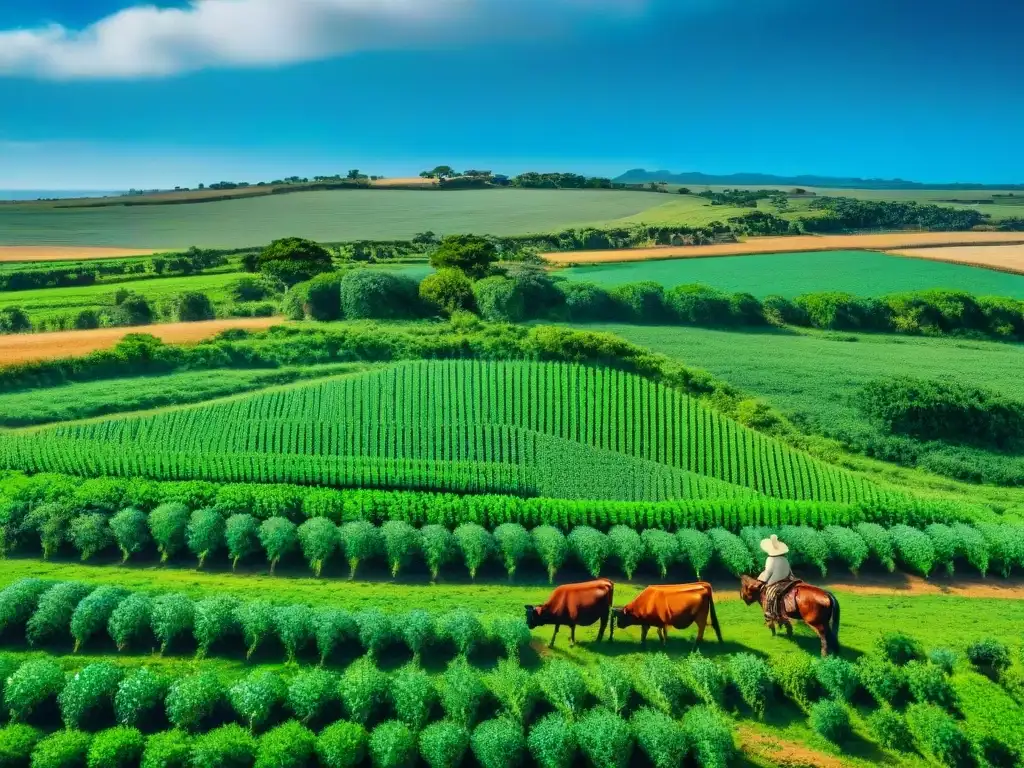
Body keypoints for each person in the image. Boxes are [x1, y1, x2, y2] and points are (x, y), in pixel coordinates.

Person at [758, 534, 796, 624]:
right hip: (788, 580)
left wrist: (760, 579)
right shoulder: (784, 559)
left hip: (775, 582)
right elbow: (789, 570)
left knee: (769, 594)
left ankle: (770, 613)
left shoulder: (770, 559)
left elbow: (768, 572)